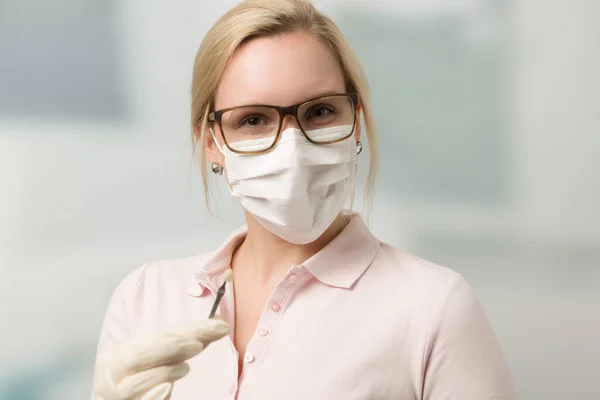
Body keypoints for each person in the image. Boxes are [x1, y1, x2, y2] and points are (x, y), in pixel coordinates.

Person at [91, 0, 516, 399]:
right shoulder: (146, 298)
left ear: (357, 123)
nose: (292, 148)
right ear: (211, 143)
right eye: (253, 120)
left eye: (320, 112)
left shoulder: (434, 307)